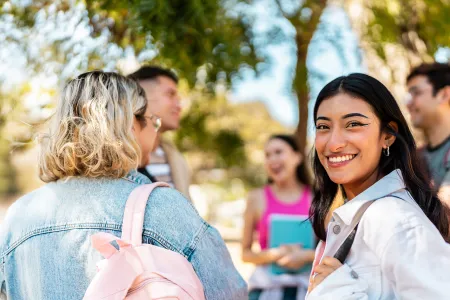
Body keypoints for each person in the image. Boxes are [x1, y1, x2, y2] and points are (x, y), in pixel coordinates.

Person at [0, 71, 247, 300]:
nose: (154, 130)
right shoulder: (161, 208)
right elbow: (230, 292)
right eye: (153, 120)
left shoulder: (18, 216)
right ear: (129, 125)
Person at [307, 73, 450, 299]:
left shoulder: (392, 217)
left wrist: (339, 291)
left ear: (388, 135)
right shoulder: (353, 215)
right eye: (323, 126)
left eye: (353, 124)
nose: (333, 143)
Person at [241, 134, 315, 300]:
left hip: (306, 288)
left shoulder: (316, 198)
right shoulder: (256, 198)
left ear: (297, 157)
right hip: (265, 287)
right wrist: (274, 254)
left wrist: (306, 256)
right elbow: (245, 254)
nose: (272, 159)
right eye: (267, 155)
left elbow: (328, 250)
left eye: (278, 152)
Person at [128, 66, 191, 199]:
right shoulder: (118, 158)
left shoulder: (175, 156)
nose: (179, 106)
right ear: (140, 97)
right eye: (170, 94)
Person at [406, 63, 450, 204]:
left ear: (444, 95)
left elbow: (446, 216)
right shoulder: (415, 157)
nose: (408, 103)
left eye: (416, 93)